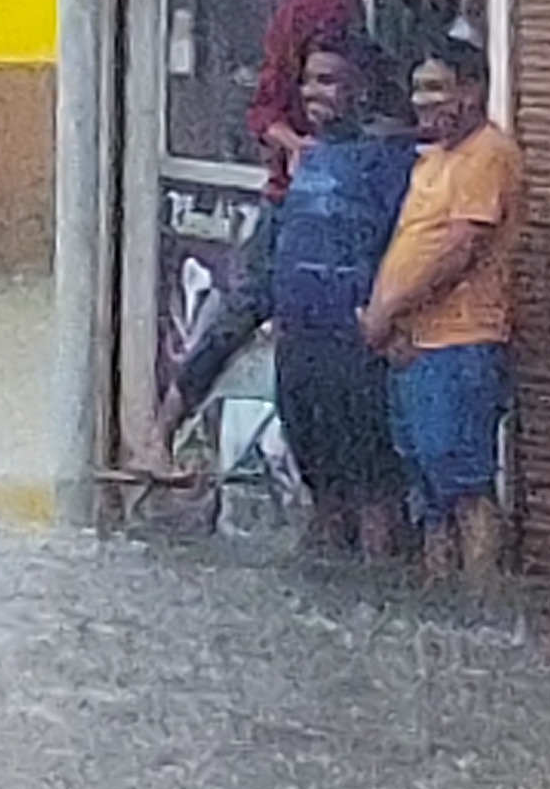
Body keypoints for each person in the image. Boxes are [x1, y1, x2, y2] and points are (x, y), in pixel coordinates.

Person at [158, 40, 420, 556]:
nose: (311, 92)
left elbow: (417, 258)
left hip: (362, 360)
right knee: (322, 495)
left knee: (376, 501)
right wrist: (179, 401)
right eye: (307, 81)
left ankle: (379, 599)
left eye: (328, 79)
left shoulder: (395, 165)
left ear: (363, 88)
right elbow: (256, 291)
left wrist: (396, 326)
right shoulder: (304, 165)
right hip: (302, 357)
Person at [362, 41, 524, 581]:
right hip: (413, 347)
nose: (422, 101)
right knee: (429, 494)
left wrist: (387, 310)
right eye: (417, 89)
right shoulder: (432, 159)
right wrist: (390, 321)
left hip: (460, 346)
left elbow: (459, 250)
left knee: (465, 489)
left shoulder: (489, 154)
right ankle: (440, 605)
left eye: (436, 87)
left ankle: (481, 611)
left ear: (473, 89)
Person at [249, 0, 401, 197]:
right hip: (308, 189)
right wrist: (299, 146)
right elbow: (265, 108)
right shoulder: (308, 11)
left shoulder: (373, 11)